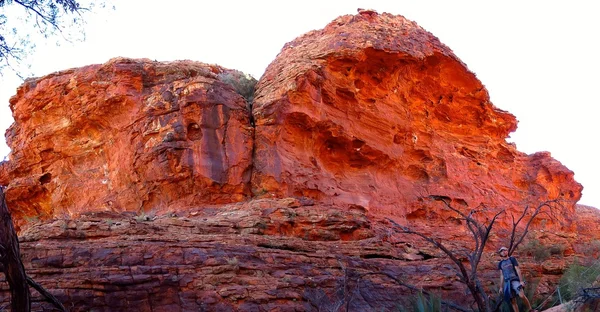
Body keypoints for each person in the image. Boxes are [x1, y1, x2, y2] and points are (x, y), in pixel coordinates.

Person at [498, 246, 537, 312]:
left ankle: (530, 310)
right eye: (501, 251)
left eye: (504, 250)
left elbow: (517, 269)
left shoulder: (512, 259)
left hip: (515, 280)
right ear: (500, 253)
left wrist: (521, 281)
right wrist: (501, 287)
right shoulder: (500, 264)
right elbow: (501, 275)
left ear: (507, 251)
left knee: (521, 295)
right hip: (507, 283)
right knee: (513, 301)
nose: (503, 252)